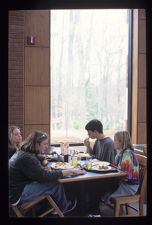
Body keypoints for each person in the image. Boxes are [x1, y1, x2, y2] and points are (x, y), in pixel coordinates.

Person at [9, 130, 85, 215]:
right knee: (55, 184)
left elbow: (38, 158)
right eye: (44, 144)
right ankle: (63, 209)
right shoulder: (27, 158)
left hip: (15, 190)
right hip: (18, 195)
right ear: (36, 144)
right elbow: (44, 176)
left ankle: (56, 207)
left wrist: (44, 163)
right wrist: (70, 171)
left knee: (53, 181)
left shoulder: (24, 152)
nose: (46, 146)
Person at [100, 130, 139, 214]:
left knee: (101, 188)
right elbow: (116, 168)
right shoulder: (120, 153)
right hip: (122, 183)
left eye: (115, 140)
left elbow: (125, 175)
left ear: (121, 142)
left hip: (129, 186)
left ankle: (94, 210)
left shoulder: (127, 154)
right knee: (101, 186)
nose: (113, 142)